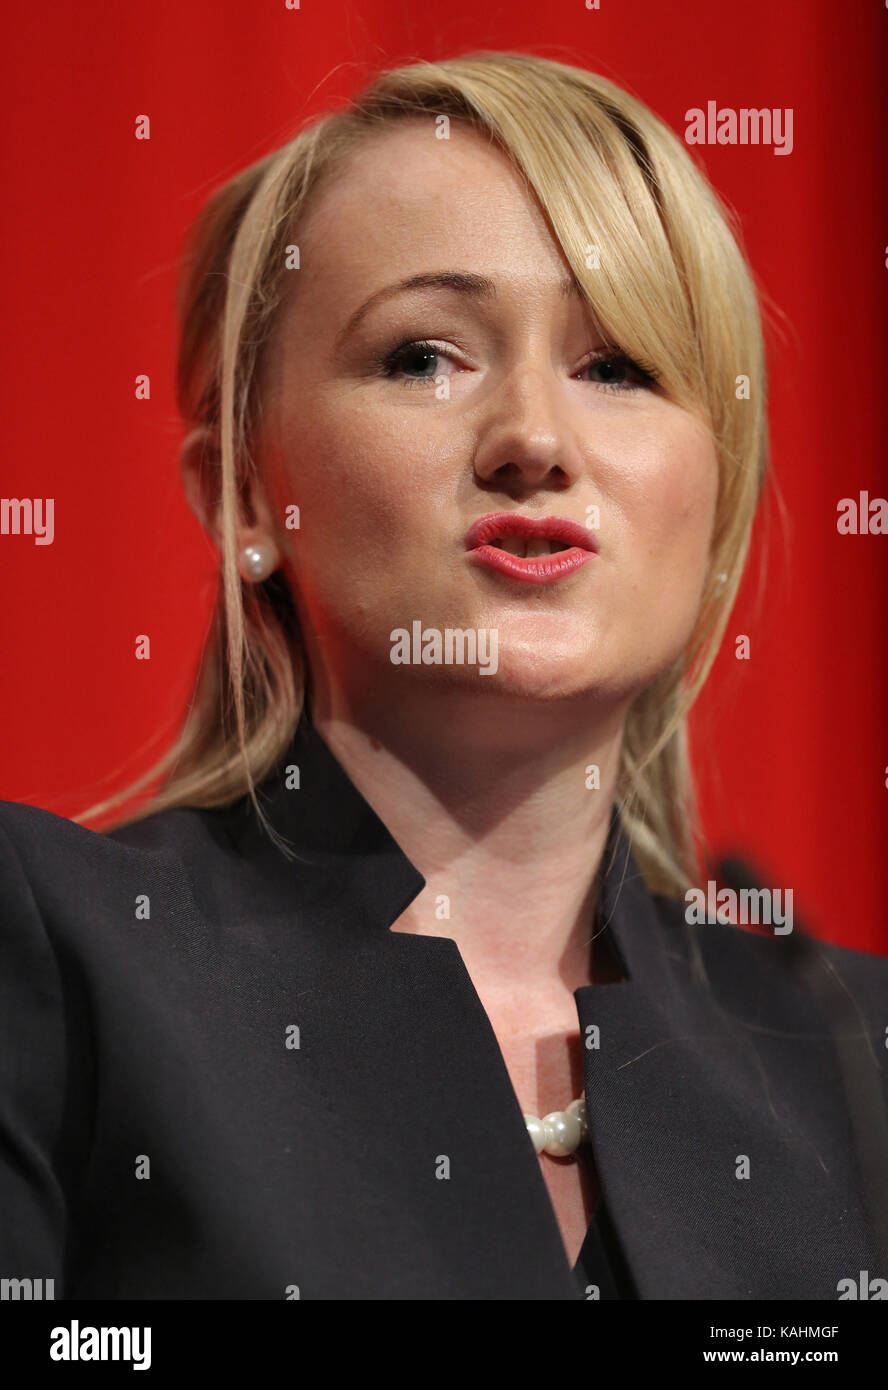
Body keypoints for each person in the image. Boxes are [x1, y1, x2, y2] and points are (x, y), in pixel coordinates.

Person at [1, 51, 886, 1302]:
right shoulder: (52, 953)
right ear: (248, 494)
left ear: (715, 490)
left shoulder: (852, 1053)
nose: (534, 437)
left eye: (617, 366)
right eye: (424, 355)